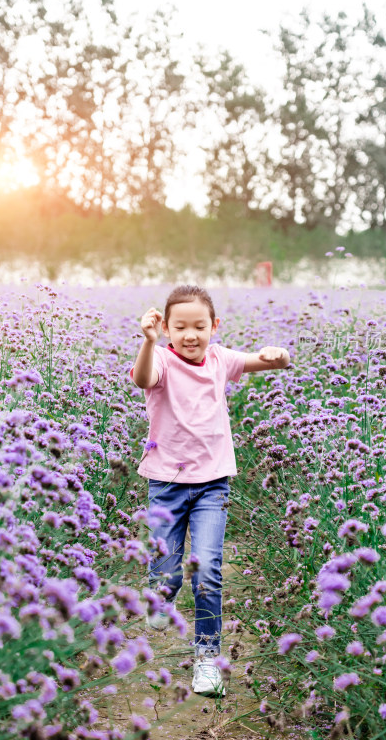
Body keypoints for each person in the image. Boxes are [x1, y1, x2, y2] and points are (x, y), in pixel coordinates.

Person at [130, 285, 290, 697]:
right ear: (166, 328)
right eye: (179, 326)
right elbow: (143, 378)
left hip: (212, 485)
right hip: (165, 483)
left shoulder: (220, 359)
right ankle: (160, 596)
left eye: (199, 326)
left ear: (214, 327)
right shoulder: (161, 359)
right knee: (165, 569)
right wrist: (148, 343)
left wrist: (278, 356)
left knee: (208, 572)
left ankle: (207, 661)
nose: (190, 334)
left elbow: (266, 362)